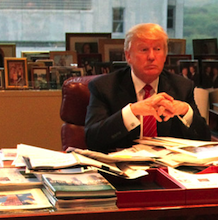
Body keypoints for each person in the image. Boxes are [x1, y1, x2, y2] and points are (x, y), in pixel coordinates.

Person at [84, 23, 210, 152]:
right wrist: (132, 112)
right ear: (128, 56)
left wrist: (186, 112)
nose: (151, 57)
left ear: (165, 55)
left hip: (168, 163)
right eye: (144, 50)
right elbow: (92, 140)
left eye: (157, 49)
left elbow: (205, 139)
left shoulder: (182, 87)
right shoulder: (104, 87)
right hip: (123, 162)